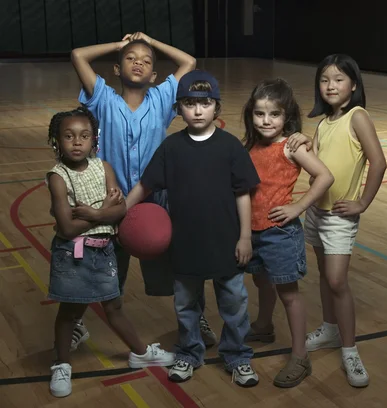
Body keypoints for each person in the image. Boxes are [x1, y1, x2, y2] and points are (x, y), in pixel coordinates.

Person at [70, 32, 217, 349]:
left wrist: (150, 41)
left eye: (146, 61)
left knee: (180, 266)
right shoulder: (103, 100)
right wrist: (118, 45)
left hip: (156, 204)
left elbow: (188, 62)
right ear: (117, 70)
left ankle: (193, 319)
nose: (138, 62)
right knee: (99, 268)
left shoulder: (163, 100)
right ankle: (75, 323)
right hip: (111, 204)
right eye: (130, 58)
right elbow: (78, 55)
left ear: (154, 75)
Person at [125, 70, 260, 386]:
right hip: (184, 244)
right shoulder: (171, 148)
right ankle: (188, 354)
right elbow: (145, 186)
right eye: (189, 103)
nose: (198, 110)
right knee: (186, 307)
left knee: (235, 307)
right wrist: (122, 213)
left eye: (205, 103)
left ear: (217, 107)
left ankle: (237, 356)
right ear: (179, 109)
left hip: (227, 243)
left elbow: (243, 194)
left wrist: (244, 236)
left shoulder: (230, 147)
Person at [46, 106, 174, 398]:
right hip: (72, 254)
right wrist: (104, 212)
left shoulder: (103, 167)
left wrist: (97, 212)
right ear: (56, 141)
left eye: (84, 135)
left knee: (114, 307)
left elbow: (120, 210)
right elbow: (66, 228)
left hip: (104, 251)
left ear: (94, 140)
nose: (77, 142)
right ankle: (61, 364)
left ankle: (140, 353)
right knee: (69, 312)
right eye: (68, 136)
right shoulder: (57, 176)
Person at [241, 78, 334, 387]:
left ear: (286, 116)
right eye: (259, 114)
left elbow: (324, 176)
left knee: (288, 294)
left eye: (274, 114)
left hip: (280, 233)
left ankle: (299, 357)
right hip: (253, 230)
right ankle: (264, 325)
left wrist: (298, 208)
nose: (266, 121)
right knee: (261, 280)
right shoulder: (251, 144)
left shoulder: (291, 147)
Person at [304, 54, 387, 388]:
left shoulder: (358, 116)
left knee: (337, 280)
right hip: (317, 212)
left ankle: (350, 349)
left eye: (338, 79)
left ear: (354, 84)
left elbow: (378, 163)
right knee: (324, 275)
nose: (331, 86)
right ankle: (329, 329)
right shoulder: (324, 122)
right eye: (325, 80)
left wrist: (363, 203)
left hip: (340, 215)